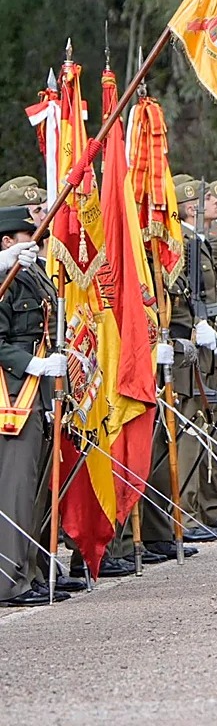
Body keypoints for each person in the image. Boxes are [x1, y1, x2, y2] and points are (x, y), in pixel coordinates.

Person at [0, 205, 69, 606]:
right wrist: (34, 364)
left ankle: (31, 572)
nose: (37, 242)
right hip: (13, 396)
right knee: (15, 491)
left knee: (36, 491)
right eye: (30, 236)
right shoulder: (6, 276)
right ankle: (8, 581)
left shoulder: (33, 274)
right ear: (7, 241)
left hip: (38, 393)